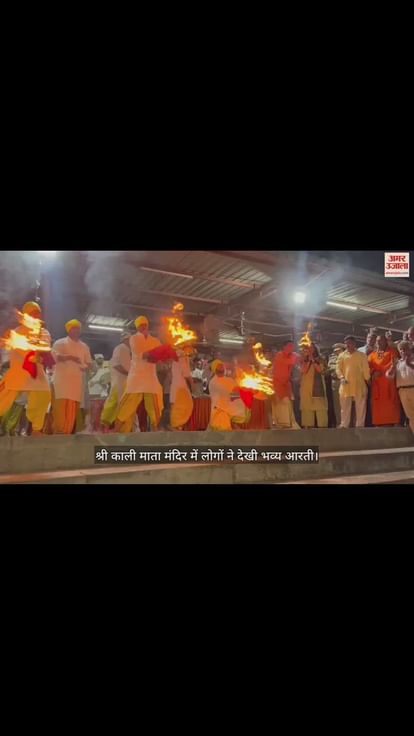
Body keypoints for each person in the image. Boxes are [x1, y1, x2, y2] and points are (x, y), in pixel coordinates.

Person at [0, 302, 52, 436]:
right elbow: (22, 350)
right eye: (32, 313)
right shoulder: (17, 332)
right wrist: (33, 353)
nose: (36, 315)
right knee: (4, 399)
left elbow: (45, 347)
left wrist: (39, 354)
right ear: (26, 315)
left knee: (44, 395)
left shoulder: (44, 332)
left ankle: (36, 428)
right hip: (19, 372)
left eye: (38, 313)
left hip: (36, 373)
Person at [115, 316, 163, 433]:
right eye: (141, 325)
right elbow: (142, 354)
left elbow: (158, 358)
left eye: (145, 324)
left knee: (155, 407)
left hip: (151, 378)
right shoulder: (134, 339)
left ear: (148, 325)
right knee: (127, 407)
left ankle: (156, 432)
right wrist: (155, 354)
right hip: (136, 378)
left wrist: (160, 355)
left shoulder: (155, 340)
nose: (143, 327)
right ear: (137, 327)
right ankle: (117, 432)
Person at [51, 319, 93, 434]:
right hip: (61, 381)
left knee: (72, 409)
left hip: (76, 382)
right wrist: (70, 357)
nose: (76, 331)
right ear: (68, 330)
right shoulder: (60, 343)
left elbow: (89, 363)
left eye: (78, 328)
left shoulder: (84, 346)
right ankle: (59, 433)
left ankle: (67, 432)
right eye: (74, 328)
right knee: (60, 409)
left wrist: (86, 367)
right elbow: (54, 357)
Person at [336, 335, 370, 428]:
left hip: (359, 383)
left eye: (350, 343)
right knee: (345, 406)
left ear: (354, 344)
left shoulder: (361, 355)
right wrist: (341, 377)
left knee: (361, 405)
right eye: (346, 343)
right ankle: (344, 424)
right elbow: (338, 368)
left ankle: (360, 425)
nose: (348, 345)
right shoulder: (342, 355)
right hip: (346, 384)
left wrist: (367, 379)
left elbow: (366, 369)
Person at [368, 335, 401, 426]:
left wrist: (389, 370)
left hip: (389, 383)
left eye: (381, 340)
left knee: (391, 402)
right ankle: (379, 422)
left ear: (386, 341)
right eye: (377, 341)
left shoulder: (392, 352)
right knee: (378, 404)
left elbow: (395, 364)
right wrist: (373, 372)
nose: (379, 342)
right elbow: (368, 366)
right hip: (377, 384)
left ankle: (393, 422)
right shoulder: (372, 355)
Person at [101, 333, 132, 429]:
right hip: (119, 382)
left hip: (124, 382)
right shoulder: (121, 348)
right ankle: (106, 425)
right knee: (115, 402)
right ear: (125, 340)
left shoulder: (127, 350)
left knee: (117, 403)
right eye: (129, 340)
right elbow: (116, 365)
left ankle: (111, 426)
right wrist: (128, 373)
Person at [208, 360, 248, 431]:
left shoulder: (227, 380)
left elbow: (236, 387)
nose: (222, 368)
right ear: (215, 369)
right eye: (219, 367)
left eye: (222, 367)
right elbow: (228, 389)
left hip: (226, 406)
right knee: (222, 428)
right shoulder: (213, 382)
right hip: (218, 408)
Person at [271, 340, 301, 429]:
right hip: (277, 383)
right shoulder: (279, 355)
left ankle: (289, 423)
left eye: (292, 346)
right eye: (289, 346)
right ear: (284, 347)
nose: (291, 348)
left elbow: (297, 361)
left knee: (287, 403)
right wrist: (295, 357)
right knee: (279, 403)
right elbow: (290, 362)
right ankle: (280, 424)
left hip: (286, 383)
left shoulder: (293, 355)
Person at [386, 340, 414, 433]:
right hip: (402, 390)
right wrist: (392, 367)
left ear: (410, 350)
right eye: (401, 349)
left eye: (405, 349)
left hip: (413, 388)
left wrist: (409, 364)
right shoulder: (398, 363)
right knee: (410, 416)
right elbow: (389, 376)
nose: (403, 351)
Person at [299, 344, 328, 428]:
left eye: (311, 348)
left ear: (315, 349)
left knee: (320, 407)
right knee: (307, 406)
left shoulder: (321, 359)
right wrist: (308, 360)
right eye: (308, 348)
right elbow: (303, 371)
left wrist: (313, 360)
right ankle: (308, 427)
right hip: (306, 386)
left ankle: (322, 427)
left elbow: (321, 370)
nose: (310, 350)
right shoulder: (303, 359)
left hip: (318, 387)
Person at [170, 348, 194, 430]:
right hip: (181, 387)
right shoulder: (182, 354)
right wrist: (192, 383)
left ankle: (176, 427)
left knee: (176, 408)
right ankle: (178, 427)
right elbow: (186, 373)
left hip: (176, 386)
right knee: (185, 407)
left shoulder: (177, 354)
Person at [87, 354, 111, 431]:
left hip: (103, 396)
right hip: (93, 397)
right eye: (98, 358)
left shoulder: (107, 370)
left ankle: (103, 431)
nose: (100, 360)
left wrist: (97, 382)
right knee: (94, 417)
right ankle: (94, 431)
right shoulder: (90, 371)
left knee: (103, 416)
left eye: (101, 358)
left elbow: (107, 382)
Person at [327, 343, 345, 427]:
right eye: (335, 351)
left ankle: (347, 422)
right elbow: (330, 367)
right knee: (337, 404)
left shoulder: (347, 356)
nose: (336, 352)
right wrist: (338, 368)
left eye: (338, 350)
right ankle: (339, 422)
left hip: (345, 381)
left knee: (346, 403)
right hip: (335, 382)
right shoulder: (332, 357)